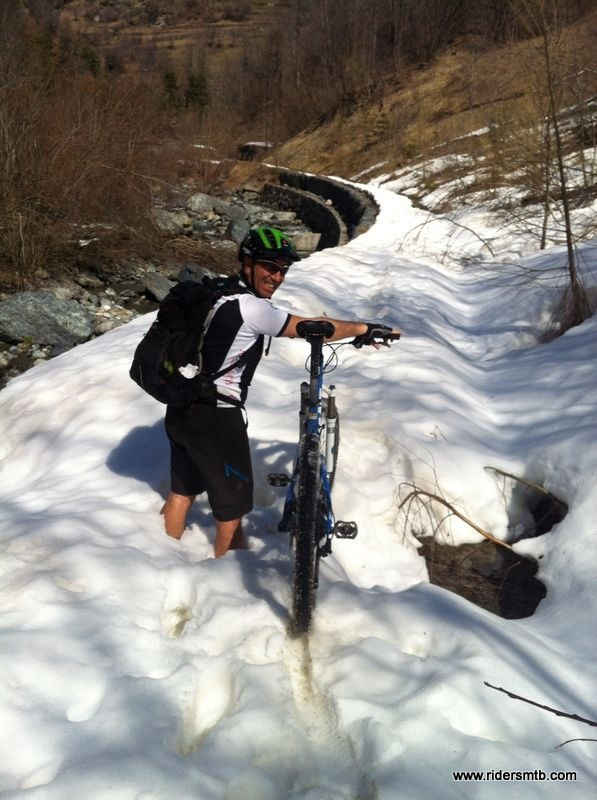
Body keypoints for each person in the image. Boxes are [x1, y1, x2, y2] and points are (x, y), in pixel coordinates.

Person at [161, 226, 398, 556]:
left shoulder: (219, 293)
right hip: (217, 417)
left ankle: (162, 562)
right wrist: (364, 328)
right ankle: (233, 586)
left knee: (182, 493)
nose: (277, 276)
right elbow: (315, 328)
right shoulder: (250, 307)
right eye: (270, 266)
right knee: (231, 515)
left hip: (183, 405)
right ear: (248, 263)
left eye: (283, 270)